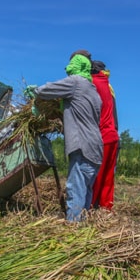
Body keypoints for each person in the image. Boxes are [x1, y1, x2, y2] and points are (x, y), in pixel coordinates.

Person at [27, 52, 102, 222]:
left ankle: (73, 229)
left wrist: (36, 91)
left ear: (76, 65)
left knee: (75, 189)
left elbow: (48, 90)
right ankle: (83, 227)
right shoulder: (92, 90)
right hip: (96, 146)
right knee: (86, 189)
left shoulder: (76, 82)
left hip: (82, 146)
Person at [90, 60, 119, 210]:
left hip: (102, 136)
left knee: (96, 175)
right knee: (108, 176)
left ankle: (88, 208)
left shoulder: (93, 84)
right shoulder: (108, 85)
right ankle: (106, 208)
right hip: (114, 135)